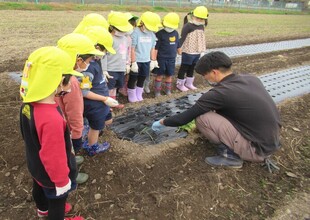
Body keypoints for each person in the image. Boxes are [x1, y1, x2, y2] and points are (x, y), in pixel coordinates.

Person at [152, 51, 281, 169]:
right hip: (270, 142)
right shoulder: (251, 79)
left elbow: (185, 118)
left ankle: (229, 156)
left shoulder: (220, 93)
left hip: (255, 150)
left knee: (203, 118)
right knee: (216, 112)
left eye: (205, 75)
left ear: (214, 72)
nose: (205, 79)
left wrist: (162, 122)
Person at [19, 46, 84, 220]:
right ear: (59, 79)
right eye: (68, 79)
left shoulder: (27, 105)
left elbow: (26, 135)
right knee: (58, 202)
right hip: (53, 175)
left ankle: (42, 211)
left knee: (38, 188)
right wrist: (61, 182)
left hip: (35, 165)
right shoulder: (51, 119)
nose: (70, 85)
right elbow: (53, 156)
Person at [57, 33, 119, 157]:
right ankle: (92, 147)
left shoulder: (93, 63)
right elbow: (84, 92)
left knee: (105, 121)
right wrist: (105, 98)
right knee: (95, 127)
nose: (104, 54)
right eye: (103, 50)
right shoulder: (86, 70)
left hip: (101, 103)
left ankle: (89, 134)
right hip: (95, 106)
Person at [101, 12, 133, 106]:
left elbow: (126, 52)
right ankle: (108, 106)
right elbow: (104, 55)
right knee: (109, 88)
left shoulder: (124, 38)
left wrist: (127, 64)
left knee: (115, 87)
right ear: (112, 27)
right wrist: (104, 70)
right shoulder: (109, 38)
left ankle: (114, 103)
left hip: (121, 68)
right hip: (111, 68)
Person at [127, 11, 159, 103]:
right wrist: (133, 62)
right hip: (136, 61)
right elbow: (132, 49)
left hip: (146, 60)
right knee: (133, 78)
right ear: (142, 23)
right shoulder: (135, 33)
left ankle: (138, 93)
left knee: (142, 77)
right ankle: (131, 94)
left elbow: (152, 48)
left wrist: (153, 60)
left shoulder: (152, 34)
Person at [176, 6, 209, 92]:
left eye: (202, 19)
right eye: (198, 18)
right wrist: (178, 49)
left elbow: (201, 39)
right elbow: (182, 38)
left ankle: (189, 83)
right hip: (188, 51)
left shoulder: (201, 26)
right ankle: (180, 84)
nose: (200, 20)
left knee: (192, 67)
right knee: (184, 67)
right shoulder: (188, 26)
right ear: (193, 16)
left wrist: (202, 50)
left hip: (197, 51)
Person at [153, 12, 182, 97]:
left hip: (172, 59)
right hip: (161, 59)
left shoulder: (175, 33)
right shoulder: (159, 34)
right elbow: (156, 48)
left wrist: (180, 53)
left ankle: (168, 91)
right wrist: (154, 59)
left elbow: (178, 44)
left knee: (169, 75)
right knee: (159, 75)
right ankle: (157, 92)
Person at [118, 12, 139, 97]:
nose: (132, 28)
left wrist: (129, 62)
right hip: (119, 62)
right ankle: (118, 91)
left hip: (127, 61)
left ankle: (123, 89)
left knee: (126, 75)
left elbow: (130, 50)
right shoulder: (121, 38)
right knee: (119, 77)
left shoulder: (129, 38)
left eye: (133, 26)